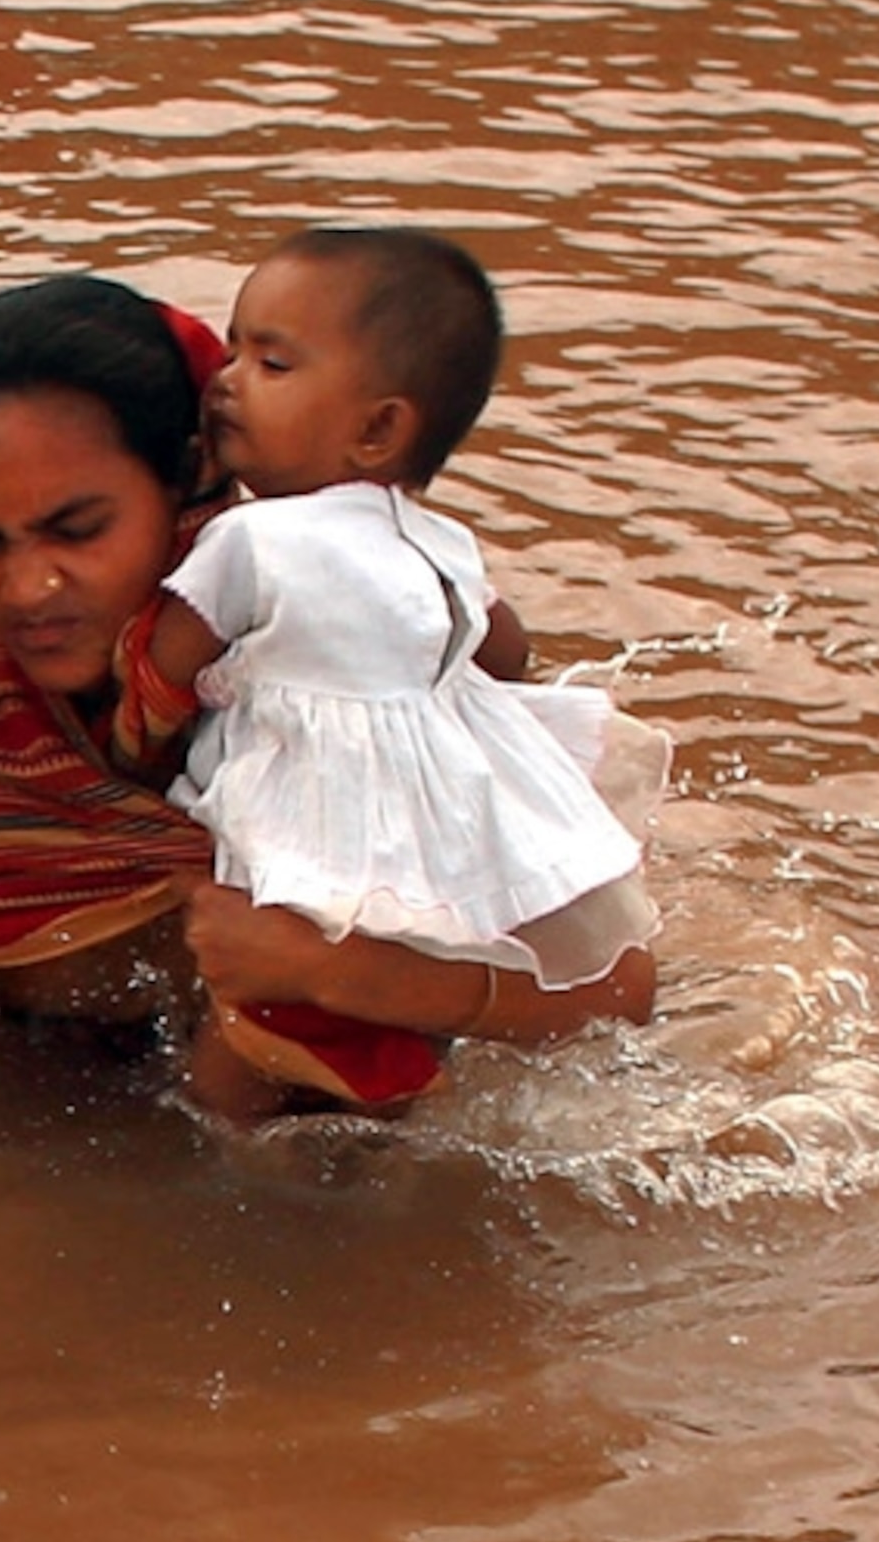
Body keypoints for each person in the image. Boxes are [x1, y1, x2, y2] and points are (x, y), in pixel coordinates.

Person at [0, 272, 653, 1117]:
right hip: (67, 1068)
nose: (30, 586)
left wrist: (339, 973)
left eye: (79, 531)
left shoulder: (337, 658)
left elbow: (617, 992)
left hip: (322, 1093)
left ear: (190, 477)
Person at [149, 226, 662, 1120]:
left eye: (270, 363)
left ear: (380, 427)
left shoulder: (254, 538)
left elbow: (162, 667)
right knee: (378, 1078)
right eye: (230, 350)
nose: (225, 381)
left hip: (309, 840)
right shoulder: (441, 540)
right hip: (425, 843)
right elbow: (503, 648)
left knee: (226, 1074)